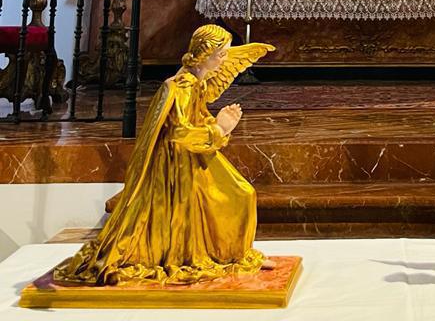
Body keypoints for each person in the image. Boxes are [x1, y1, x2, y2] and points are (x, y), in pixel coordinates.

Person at [53, 25, 275, 285]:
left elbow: (196, 116)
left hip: (193, 153)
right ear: (205, 54)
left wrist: (217, 126)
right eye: (222, 54)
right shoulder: (182, 86)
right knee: (239, 194)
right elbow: (179, 132)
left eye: (227, 54)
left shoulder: (197, 82)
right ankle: (226, 255)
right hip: (175, 163)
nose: (225, 60)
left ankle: (235, 254)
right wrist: (219, 128)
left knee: (240, 193)